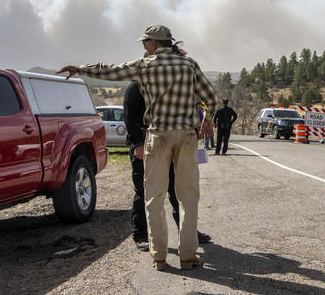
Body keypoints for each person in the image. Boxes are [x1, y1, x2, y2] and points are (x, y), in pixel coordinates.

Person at [58, 24, 217, 271]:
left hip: (158, 135)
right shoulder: (189, 65)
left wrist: (80, 69)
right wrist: (207, 120)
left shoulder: (145, 65)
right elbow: (211, 97)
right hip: (186, 136)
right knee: (187, 198)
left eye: (145, 43)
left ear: (154, 44)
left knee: (154, 198)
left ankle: (159, 257)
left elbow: (109, 71)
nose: (143, 46)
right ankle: (187, 256)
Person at [124, 80, 211, 252]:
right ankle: (141, 235)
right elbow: (129, 116)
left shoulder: (169, 83)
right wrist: (137, 143)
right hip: (144, 145)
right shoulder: (135, 87)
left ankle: (187, 232)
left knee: (177, 190)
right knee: (145, 191)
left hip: (170, 145)